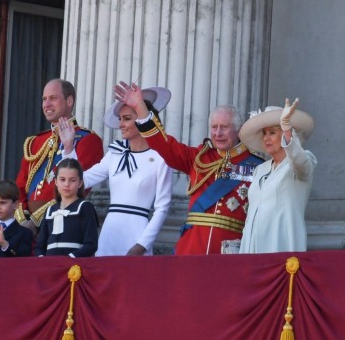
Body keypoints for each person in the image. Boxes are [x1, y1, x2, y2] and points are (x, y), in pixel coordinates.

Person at [115, 81, 263, 255]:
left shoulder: (256, 166)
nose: (217, 133)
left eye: (224, 127)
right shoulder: (199, 157)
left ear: (238, 131)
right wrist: (140, 107)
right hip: (192, 249)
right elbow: (164, 145)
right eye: (214, 127)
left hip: (230, 253)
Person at [61, 87, 174, 256]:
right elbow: (81, 180)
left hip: (138, 235)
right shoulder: (115, 154)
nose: (120, 124)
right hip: (110, 234)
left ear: (142, 119)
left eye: (127, 119)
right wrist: (69, 148)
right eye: (120, 119)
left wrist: (141, 245)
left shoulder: (161, 158)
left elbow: (162, 208)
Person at [15, 78, 104, 231]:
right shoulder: (35, 142)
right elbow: (19, 187)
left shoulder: (87, 140)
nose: (46, 104)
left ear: (69, 101)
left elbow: (77, 187)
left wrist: (36, 221)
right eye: (44, 99)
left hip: (62, 223)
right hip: (25, 228)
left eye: (53, 98)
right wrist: (23, 219)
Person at [237, 99, 316, 254]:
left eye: (272, 132)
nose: (266, 138)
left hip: (281, 246)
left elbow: (300, 163)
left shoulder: (303, 161)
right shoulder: (260, 169)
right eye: (264, 133)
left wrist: (286, 128)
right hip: (252, 249)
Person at [35, 158, 99, 258]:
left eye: (72, 180)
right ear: (56, 182)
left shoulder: (85, 207)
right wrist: (42, 259)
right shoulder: (50, 210)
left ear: (80, 183)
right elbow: (40, 246)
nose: (67, 184)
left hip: (74, 266)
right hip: (49, 266)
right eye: (62, 179)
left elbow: (91, 244)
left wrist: (70, 258)